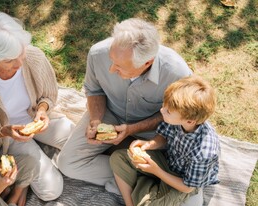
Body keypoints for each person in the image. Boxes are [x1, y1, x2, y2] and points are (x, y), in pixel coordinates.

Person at [57, 18, 192, 189]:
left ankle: (144, 179)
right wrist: (96, 121)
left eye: (119, 66)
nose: (112, 69)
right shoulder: (97, 53)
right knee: (67, 163)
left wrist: (132, 129)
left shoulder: (177, 74)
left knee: (184, 187)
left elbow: (176, 115)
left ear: (147, 63)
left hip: (155, 130)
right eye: (111, 59)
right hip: (110, 112)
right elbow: (94, 90)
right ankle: (138, 183)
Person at [0, 12, 75, 206]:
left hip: (37, 120)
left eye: (20, 54)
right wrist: (4, 131)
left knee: (81, 139)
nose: (19, 63)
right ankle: (24, 176)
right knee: (52, 190)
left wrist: (42, 110)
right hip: (7, 136)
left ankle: (30, 163)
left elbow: (49, 94)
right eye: (9, 61)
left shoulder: (33, 56)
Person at [110, 76, 220, 206]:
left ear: (189, 120)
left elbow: (187, 187)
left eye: (167, 111)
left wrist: (156, 170)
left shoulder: (204, 151)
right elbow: (164, 137)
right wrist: (149, 144)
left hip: (183, 180)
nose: (162, 111)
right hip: (168, 161)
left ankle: (145, 190)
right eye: (164, 106)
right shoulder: (176, 119)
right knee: (117, 158)